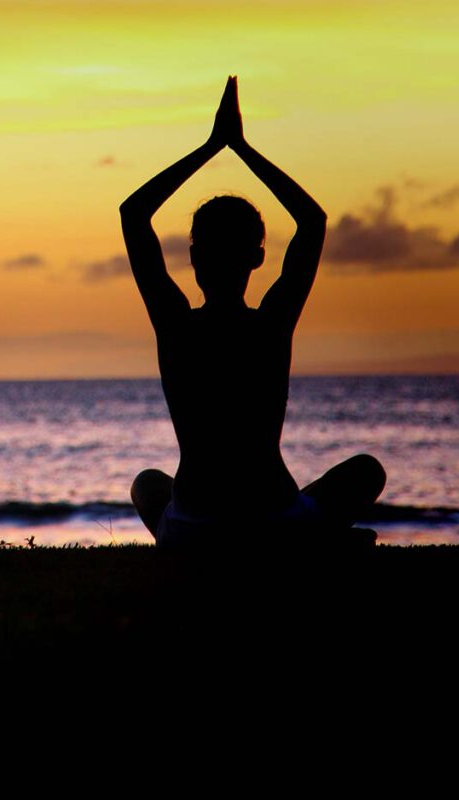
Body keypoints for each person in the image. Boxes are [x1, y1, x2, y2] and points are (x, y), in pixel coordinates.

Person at [121, 76, 385, 548]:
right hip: (276, 520)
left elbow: (133, 214)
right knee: (366, 471)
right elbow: (312, 222)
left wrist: (210, 147)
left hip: (193, 531)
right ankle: (316, 538)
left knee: (148, 483)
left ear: (193, 256)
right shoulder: (271, 323)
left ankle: (310, 537)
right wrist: (240, 147)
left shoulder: (176, 325)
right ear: (258, 257)